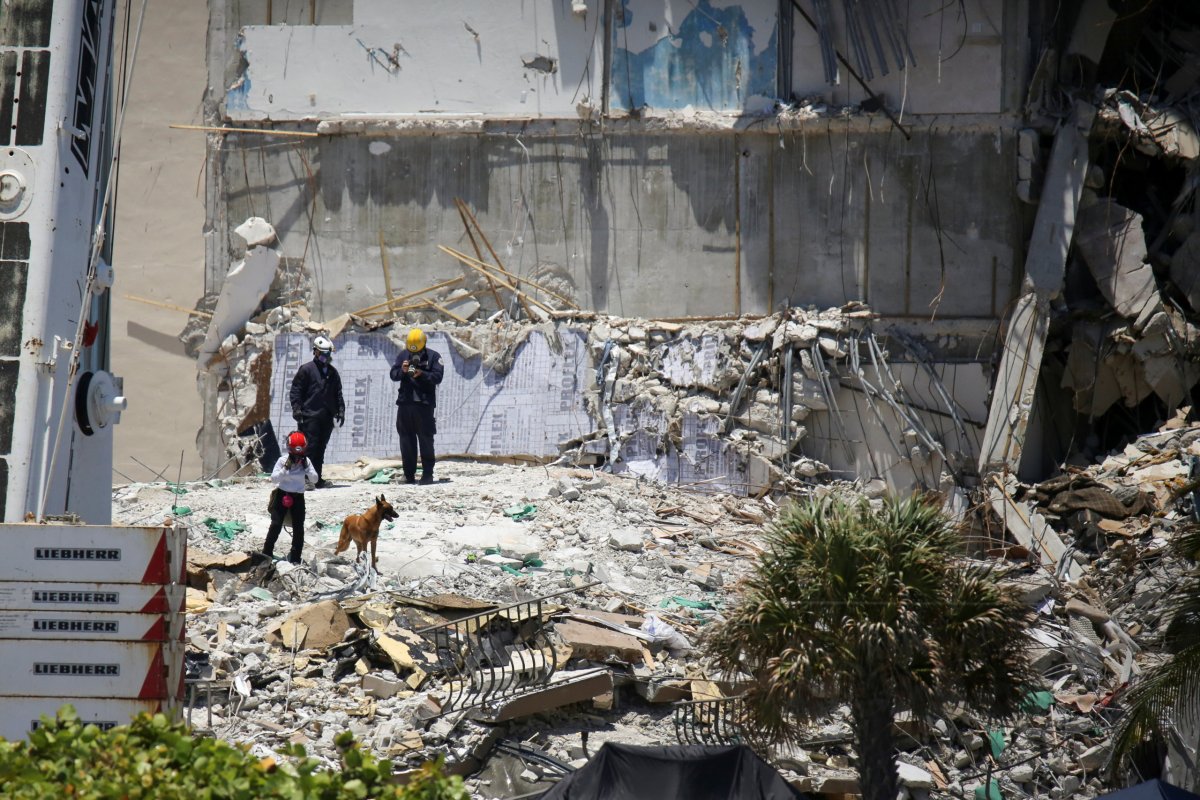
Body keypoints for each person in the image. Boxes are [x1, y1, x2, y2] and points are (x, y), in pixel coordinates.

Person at [390, 328, 445, 484]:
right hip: (405, 405)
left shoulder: (434, 357)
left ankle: (427, 474)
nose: (415, 354)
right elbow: (393, 375)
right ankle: (409, 475)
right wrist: (403, 370)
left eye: (418, 351)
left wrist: (422, 374)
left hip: (424, 406)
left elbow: (437, 377)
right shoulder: (403, 355)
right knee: (406, 440)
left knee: (425, 439)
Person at [289, 335, 344, 488]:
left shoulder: (332, 372)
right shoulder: (306, 370)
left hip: (326, 416)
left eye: (328, 354)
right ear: (316, 352)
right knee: (310, 448)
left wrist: (341, 410)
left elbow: (338, 393)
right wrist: (297, 409)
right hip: (309, 416)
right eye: (323, 353)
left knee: (320, 448)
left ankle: (317, 479)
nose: (326, 357)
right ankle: (305, 479)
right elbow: (296, 391)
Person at [264, 431, 318, 564]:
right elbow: (274, 479)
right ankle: (266, 553)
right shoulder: (282, 461)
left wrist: (307, 468)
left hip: (298, 497)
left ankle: (295, 557)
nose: (298, 457)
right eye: (295, 453)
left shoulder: (306, 462)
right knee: (276, 524)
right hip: (282, 495)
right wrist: (285, 469)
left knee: (298, 527)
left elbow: (315, 479)